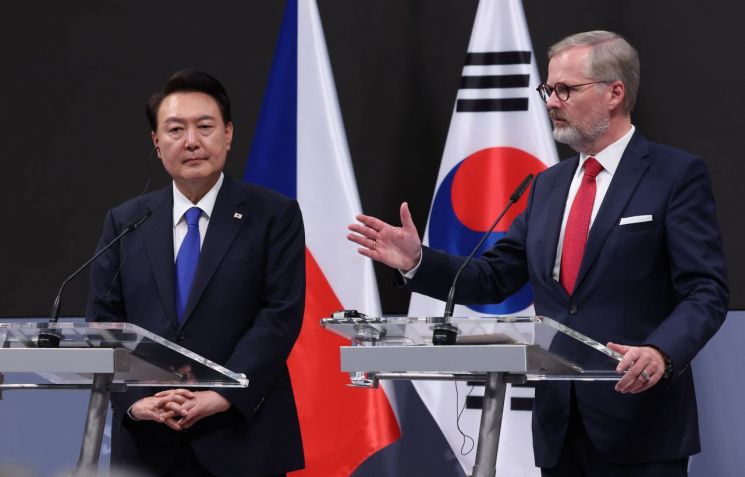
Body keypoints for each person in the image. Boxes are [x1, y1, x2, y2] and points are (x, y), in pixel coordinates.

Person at [348, 31, 729, 476]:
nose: (551, 101)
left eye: (565, 89)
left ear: (615, 92)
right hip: (558, 429)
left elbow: (705, 291)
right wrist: (416, 262)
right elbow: (493, 278)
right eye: (548, 89)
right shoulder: (547, 185)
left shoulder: (675, 175)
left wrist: (661, 353)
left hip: (639, 423)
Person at [86, 69, 305, 477]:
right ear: (156, 141)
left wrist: (222, 393)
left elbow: (280, 316)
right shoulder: (125, 222)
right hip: (148, 441)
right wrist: (136, 400)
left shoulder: (274, 215)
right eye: (175, 129)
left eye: (205, 127)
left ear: (228, 134)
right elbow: (103, 322)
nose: (191, 141)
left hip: (242, 433)